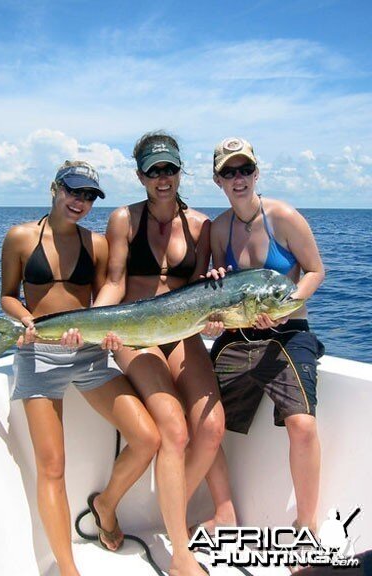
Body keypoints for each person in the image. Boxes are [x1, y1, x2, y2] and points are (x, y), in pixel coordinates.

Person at [1, 160, 160, 576]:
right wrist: (26, 320)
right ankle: (69, 570)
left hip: (89, 355)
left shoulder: (98, 243)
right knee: (52, 467)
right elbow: (8, 296)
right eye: (74, 191)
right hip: (38, 356)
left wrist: (102, 325)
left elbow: (109, 288)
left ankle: (105, 504)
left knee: (147, 437)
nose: (80, 202)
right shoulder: (20, 237)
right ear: (54, 188)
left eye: (89, 196)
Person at [93, 132, 229, 576]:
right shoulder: (122, 220)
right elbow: (114, 281)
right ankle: (179, 555)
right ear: (140, 176)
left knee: (210, 427)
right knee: (173, 429)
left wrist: (215, 313)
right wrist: (97, 324)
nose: (162, 178)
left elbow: (202, 289)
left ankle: (172, 511)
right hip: (135, 333)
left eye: (169, 168)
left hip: (184, 330)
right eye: (153, 171)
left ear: (179, 170)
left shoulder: (202, 225)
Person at [206, 136, 325, 534]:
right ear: (218, 180)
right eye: (229, 172)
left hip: (288, 333)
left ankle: (306, 524)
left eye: (245, 170)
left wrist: (287, 304)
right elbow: (215, 290)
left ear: (256, 173)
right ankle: (224, 511)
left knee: (303, 425)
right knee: (201, 422)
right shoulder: (218, 229)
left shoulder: (283, 217)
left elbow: (315, 271)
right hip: (238, 337)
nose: (238, 178)